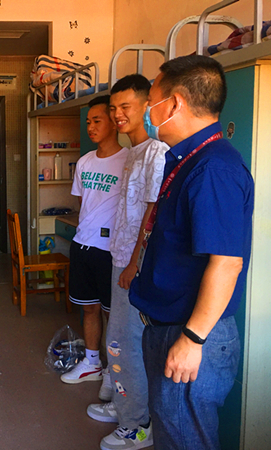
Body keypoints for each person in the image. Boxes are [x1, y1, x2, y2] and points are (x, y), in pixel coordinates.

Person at [129, 55, 254, 450]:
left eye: (151, 101)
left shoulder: (213, 169)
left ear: (175, 104)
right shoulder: (187, 160)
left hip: (189, 333)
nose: (147, 111)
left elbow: (227, 262)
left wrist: (192, 339)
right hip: (169, 326)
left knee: (185, 439)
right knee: (172, 434)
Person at [86, 75, 168, 450]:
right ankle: (124, 407)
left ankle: (137, 425)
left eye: (126, 107)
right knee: (118, 340)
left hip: (135, 265)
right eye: (114, 108)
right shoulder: (133, 152)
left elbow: (152, 213)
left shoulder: (155, 152)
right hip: (120, 258)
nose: (118, 114)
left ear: (147, 106)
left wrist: (134, 263)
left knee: (127, 343)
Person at [60, 95, 129, 384]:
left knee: (113, 315)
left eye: (97, 121)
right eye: (88, 122)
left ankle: (115, 371)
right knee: (88, 308)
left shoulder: (128, 161)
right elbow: (83, 202)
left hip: (110, 251)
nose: (91, 127)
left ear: (113, 122)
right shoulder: (85, 162)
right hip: (83, 244)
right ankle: (91, 363)